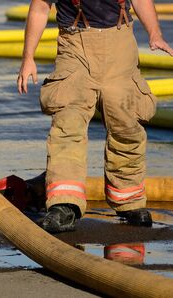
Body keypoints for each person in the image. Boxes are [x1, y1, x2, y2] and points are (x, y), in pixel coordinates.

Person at [17, 0, 173, 233]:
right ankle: (64, 204)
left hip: (120, 47)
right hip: (75, 48)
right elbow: (40, 7)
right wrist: (28, 57)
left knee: (126, 126)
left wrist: (155, 33)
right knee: (67, 126)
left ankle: (128, 201)